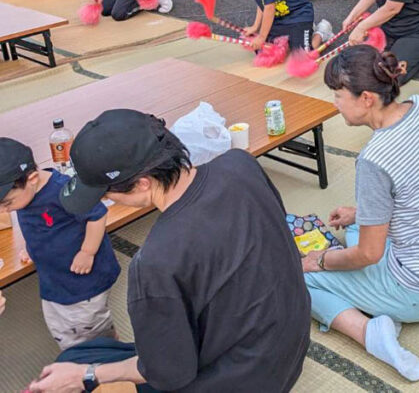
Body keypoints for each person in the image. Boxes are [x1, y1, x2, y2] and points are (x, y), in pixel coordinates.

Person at [29, 109, 310, 392]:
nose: (104, 201)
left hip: (238, 380)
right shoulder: (241, 164)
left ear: (142, 183)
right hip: (288, 347)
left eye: (105, 194)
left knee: (77, 362)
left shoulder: (156, 261)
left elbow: (168, 374)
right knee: (86, 353)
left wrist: (88, 375)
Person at [303, 46, 419, 382]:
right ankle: (380, 307)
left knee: (299, 279)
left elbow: (369, 254)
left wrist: (318, 261)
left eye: (338, 95)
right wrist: (360, 213)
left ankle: (371, 333)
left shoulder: (374, 159)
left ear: (366, 98)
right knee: (354, 233)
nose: (335, 103)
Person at [0, 138, 120, 351]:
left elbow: (97, 215)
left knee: (89, 332)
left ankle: (105, 361)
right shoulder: (25, 195)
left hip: (83, 281)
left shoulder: (63, 190)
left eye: (7, 204)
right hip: (55, 279)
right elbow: (37, 223)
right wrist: (31, 245)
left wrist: (87, 251)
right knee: (63, 326)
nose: (5, 210)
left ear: (33, 178)